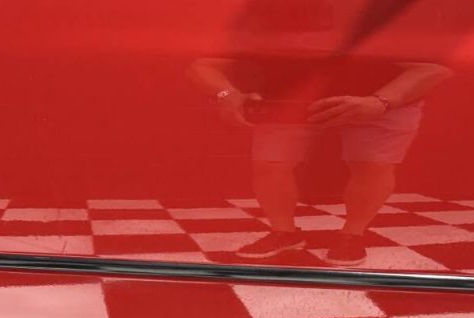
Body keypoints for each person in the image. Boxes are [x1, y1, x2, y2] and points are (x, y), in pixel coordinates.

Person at [188, 0, 453, 265]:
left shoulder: (387, 11)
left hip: (382, 95)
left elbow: (433, 69)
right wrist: (227, 94)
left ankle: (353, 235)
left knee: (372, 165)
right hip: (289, 98)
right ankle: (284, 232)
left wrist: (380, 102)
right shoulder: (266, 12)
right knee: (270, 165)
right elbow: (202, 65)